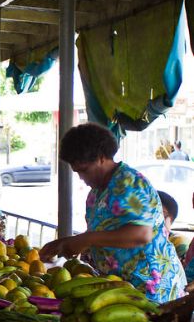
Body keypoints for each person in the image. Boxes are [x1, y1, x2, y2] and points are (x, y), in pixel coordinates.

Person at [39, 123, 186, 303]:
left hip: (151, 287)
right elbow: (107, 233)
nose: (81, 177)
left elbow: (141, 234)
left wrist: (87, 239)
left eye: (84, 170)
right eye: (77, 172)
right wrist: (65, 243)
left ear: (101, 158)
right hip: (121, 285)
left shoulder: (129, 182)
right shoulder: (96, 193)